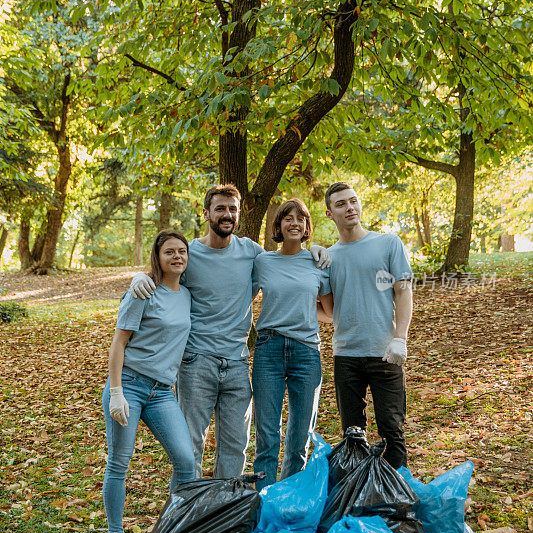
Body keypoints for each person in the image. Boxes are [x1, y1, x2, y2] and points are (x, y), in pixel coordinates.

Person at [130, 184, 331, 480]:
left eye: (232, 209)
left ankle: (226, 509)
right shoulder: (191, 253)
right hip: (197, 361)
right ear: (206, 213)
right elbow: (162, 274)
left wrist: (314, 248)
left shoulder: (252, 253)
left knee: (236, 446)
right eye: (220, 208)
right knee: (190, 445)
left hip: (237, 362)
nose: (227, 214)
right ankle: (188, 510)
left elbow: (287, 266)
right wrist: (139, 278)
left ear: (239, 214)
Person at [103, 230, 195, 533]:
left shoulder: (186, 295)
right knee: (119, 462)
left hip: (162, 392)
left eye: (182, 251)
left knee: (186, 462)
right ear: (157, 257)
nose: (176, 257)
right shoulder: (142, 291)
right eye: (168, 251)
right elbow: (119, 343)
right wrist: (116, 392)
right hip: (129, 384)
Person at [324, 181, 413, 468]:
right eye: (341, 204)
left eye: (353, 201)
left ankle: (397, 499)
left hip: (386, 352)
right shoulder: (328, 257)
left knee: (392, 431)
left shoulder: (387, 243)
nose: (350, 207)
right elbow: (323, 308)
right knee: (353, 435)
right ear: (329, 214)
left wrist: (400, 338)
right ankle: (361, 491)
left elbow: (403, 290)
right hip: (346, 355)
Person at [252, 199, 333, 491]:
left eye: (301, 218)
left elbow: (329, 312)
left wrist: (299, 309)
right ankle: (262, 503)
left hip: (306, 351)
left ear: (307, 226)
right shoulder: (262, 262)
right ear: (278, 225)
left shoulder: (318, 262)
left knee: (300, 435)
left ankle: (289, 503)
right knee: (267, 436)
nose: (294, 223)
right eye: (288, 218)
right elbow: (240, 297)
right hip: (268, 350)